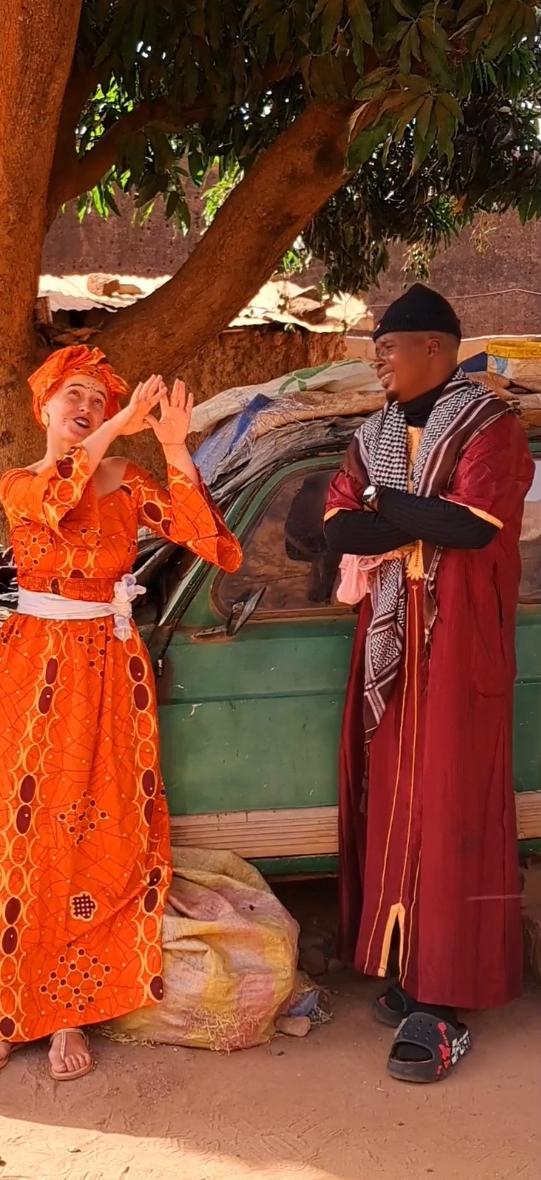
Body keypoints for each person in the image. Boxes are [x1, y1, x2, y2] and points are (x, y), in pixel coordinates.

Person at [0, 346, 241, 1079]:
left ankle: (70, 1016)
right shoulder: (21, 483)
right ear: (45, 406)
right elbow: (59, 497)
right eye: (74, 396)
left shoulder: (129, 480)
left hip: (109, 669)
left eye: (99, 398)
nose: (85, 407)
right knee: (14, 837)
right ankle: (6, 1010)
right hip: (34, 668)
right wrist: (120, 424)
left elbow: (206, 537)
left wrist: (176, 447)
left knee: (96, 836)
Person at [324, 286, 534, 1083]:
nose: (377, 360)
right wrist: (405, 507)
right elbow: (336, 524)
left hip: (459, 641)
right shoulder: (371, 435)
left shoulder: (492, 427)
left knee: (452, 809)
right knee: (394, 801)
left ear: (438, 350)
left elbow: (472, 526)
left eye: (390, 347)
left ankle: (445, 1002)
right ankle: (407, 962)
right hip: (390, 642)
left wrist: (387, 505)